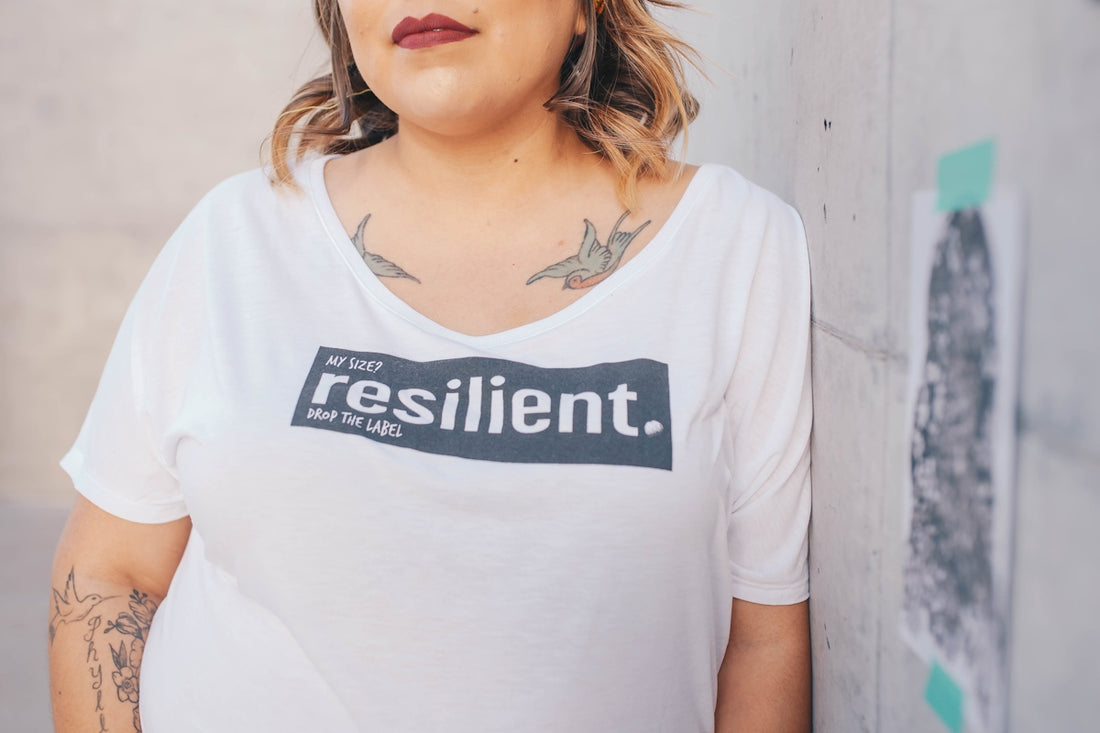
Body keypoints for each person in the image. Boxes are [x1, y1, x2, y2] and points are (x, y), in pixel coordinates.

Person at [49, 1, 813, 731]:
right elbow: (110, 573)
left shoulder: (738, 249)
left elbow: (763, 638)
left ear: (589, 6)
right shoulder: (233, 240)